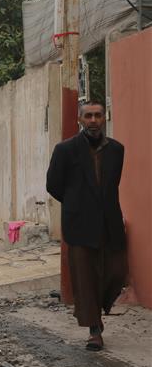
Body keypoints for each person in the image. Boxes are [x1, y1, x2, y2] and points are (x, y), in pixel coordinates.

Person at [46, 101, 127, 352]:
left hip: (110, 223)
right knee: (85, 277)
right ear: (80, 120)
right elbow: (53, 185)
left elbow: (112, 185)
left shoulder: (116, 149)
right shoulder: (65, 150)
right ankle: (94, 329)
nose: (94, 120)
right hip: (79, 224)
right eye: (88, 116)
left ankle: (98, 309)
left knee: (116, 272)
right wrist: (76, 204)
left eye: (98, 115)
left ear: (104, 118)